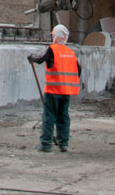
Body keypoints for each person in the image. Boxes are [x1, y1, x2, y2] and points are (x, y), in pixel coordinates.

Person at [26, 24, 81, 152]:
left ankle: (45, 144)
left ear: (55, 36)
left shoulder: (52, 49)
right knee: (63, 116)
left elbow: (40, 59)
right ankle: (64, 143)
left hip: (53, 90)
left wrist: (31, 58)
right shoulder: (71, 53)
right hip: (66, 91)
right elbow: (78, 70)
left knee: (49, 116)